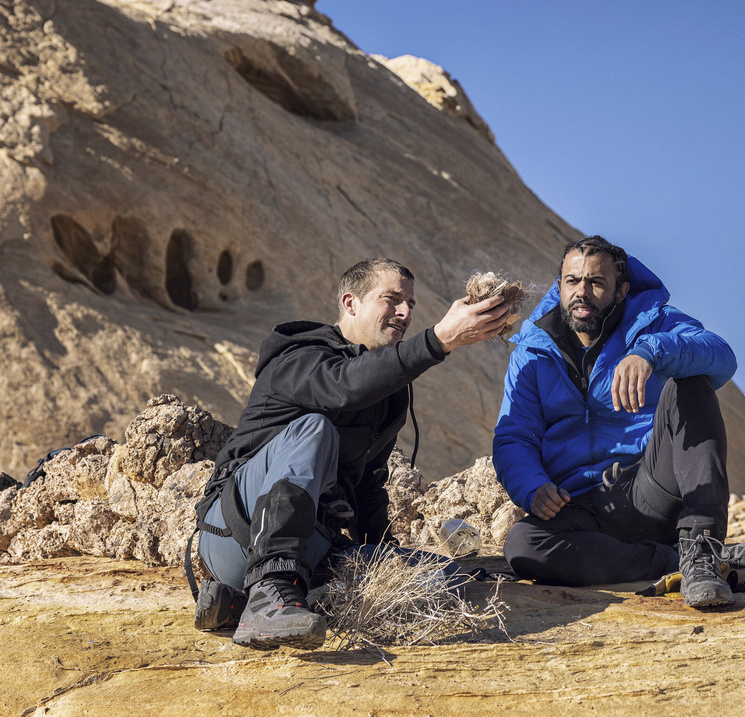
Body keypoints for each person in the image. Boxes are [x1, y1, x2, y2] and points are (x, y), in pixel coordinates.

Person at [192, 258, 510, 650]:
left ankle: (240, 606)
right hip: (234, 531)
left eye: (410, 304)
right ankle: (267, 598)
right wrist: (439, 339)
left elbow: (368, 485)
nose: (405, 312)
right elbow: (342, 388)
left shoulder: (387, 391)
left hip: (311, 549)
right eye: (392, 299)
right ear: (351, 303)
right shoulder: (300, 355)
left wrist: (382, 555)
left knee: (441, 575)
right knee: (315, 428)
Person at [493, 236, 739, 608]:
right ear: (559, 286)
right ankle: (678, 563)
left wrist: (652, 352)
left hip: (649, 489)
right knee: (525, 547)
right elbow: (513, 437)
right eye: (572, 281)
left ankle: (702, 549)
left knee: (692, 382)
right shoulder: (532, 352)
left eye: (596, 283)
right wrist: (532, 486)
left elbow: (721, 356)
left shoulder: (653, 324)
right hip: (577, 506)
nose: (582, 292)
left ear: (621, 290)